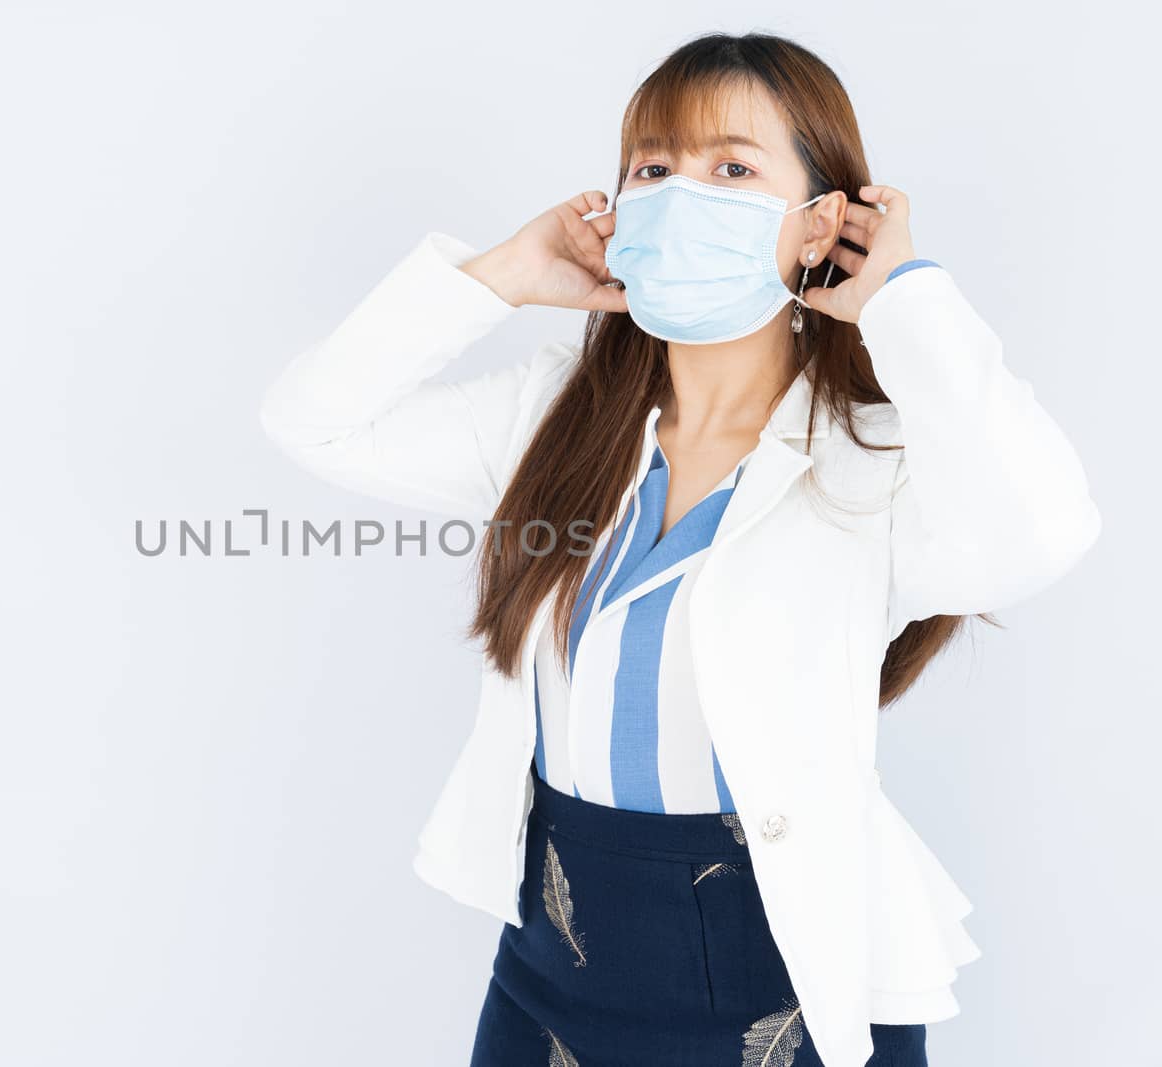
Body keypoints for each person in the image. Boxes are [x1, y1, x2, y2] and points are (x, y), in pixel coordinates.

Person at [257, 31, 1100, 1067]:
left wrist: (904, 297)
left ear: (822, 221)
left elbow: (1043, 530)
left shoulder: (872, 460)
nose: (675, 194)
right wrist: (501, 277)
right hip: (557, 958)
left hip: (786, 970)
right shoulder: (552, 423)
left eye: (731, 168)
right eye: (651, 167)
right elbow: (314, 420)